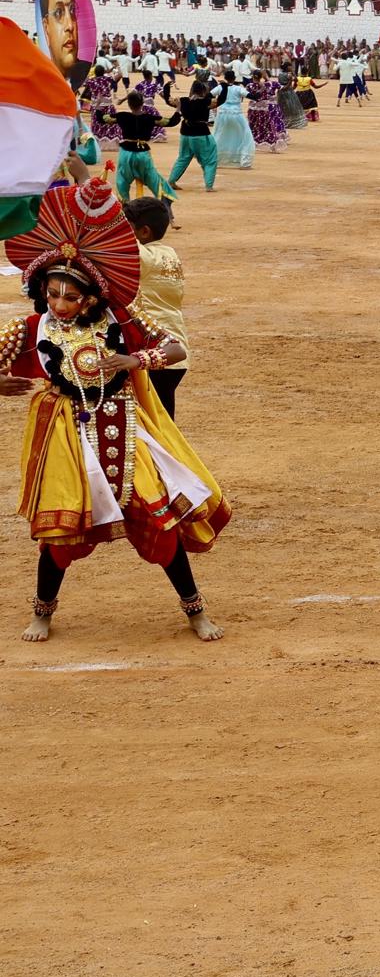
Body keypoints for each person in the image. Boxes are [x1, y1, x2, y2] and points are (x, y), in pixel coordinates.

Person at [1, 181, 229, 642]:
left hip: (125, 427)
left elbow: (175, 346)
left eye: (68, 296)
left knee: (158, 515)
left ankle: (195, 610)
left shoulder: (121, 320)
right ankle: (42, 612)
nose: (58, 305)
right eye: (51, 294)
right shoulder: (30, 326)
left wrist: (136, 359)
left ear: (89, 298)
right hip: (64, 434)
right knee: (60, 531)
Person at [124, 198, 191, 421]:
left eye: (128, 228)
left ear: (144, 232)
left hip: (155, 351)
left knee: (151, 423)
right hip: (176, 352)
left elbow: (116, 239)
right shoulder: (169, 253)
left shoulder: (146, 258)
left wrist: (86, 180)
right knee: (162, 419)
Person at [165, 78, 221, 193]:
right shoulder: (206, 101)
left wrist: (166, 89)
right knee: (210, 159)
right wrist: (224, 88)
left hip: (185, 133)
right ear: (203, 91)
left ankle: (171, 180)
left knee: (183, 158)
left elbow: (169, 100)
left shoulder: (183, 100)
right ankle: (209, 186)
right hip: (201, 133)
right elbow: (221, 101)